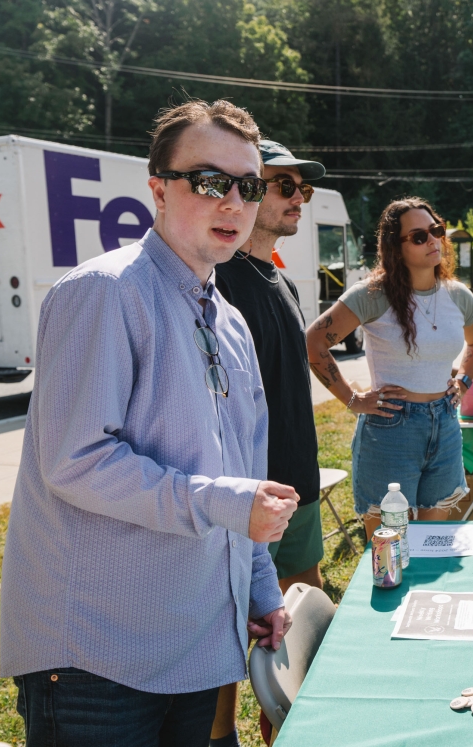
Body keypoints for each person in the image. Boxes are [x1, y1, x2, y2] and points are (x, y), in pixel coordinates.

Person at [0, 99, 298, 745]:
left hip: (192, 648)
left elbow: (242, 472)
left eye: (249, 186)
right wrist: (224, 501)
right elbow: (75, 462)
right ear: (158, 188)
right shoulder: (105, 291)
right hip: (96, 658)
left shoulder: (231, 319)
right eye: (212, 181)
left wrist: (261, 587)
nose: (235, 203)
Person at [209, 140, 327, 747]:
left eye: (301, 190)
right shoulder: (218, 282)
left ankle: (288, 736)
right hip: (246, 499)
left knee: (297, 635)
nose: (297, 199)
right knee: (238, 634)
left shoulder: (277, 276)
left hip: (298, 487)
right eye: (285, 186)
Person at [305, 197, 473, 537]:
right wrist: (352, 400)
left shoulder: (458, 296)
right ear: (395, 247)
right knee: (390, 548)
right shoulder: (372, 295)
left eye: (436, 230)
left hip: (445, 423)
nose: (433, 241)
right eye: (419, 237)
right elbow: (314, 343)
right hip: (391, 428)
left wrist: (463, 381)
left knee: (432, 545)